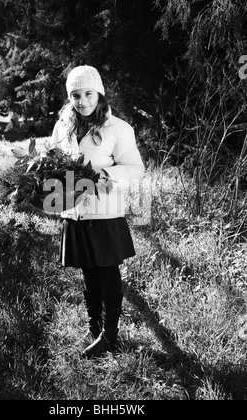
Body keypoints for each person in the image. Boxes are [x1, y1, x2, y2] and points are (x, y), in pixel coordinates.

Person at [47, 65, 145, 358]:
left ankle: (110, 335)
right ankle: (95, 327)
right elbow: (54, 162)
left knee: (107, 272)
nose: (83, 100)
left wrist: (103, 173)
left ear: (99, 93)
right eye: (76, 95)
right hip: (75, 211)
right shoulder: (63, 127)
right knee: (88, 273)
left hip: (104, 213)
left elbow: (136, 170)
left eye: (88, 93)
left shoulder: (118, 129)